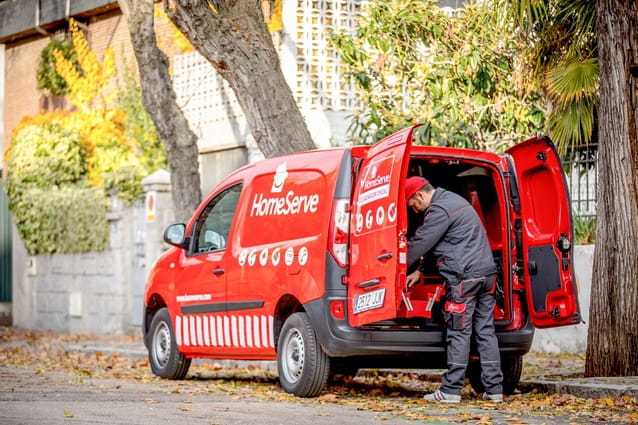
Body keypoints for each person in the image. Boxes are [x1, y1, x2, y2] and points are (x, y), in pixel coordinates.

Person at [404, 176, 503, 403]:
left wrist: (393, 263)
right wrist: (420, 269)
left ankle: (450, 391)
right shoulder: (452, 201)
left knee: (459, 332)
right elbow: (440, 241)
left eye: (414, 205)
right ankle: (494, 389)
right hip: (486, 276)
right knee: (485, 331)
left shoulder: (438, 209)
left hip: (464, 279)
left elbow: (421, 242)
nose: (416, 210)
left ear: (419, 195)